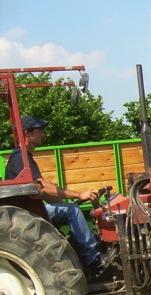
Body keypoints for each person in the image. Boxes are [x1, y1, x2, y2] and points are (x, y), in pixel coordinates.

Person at [4, 115, 104, 277]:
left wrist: (67, 197)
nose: (43, 134)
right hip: (27, 214)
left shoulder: (23, 157)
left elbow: (44, 185)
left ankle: (82, 253)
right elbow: (43, 188)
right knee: (72, 211)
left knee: (69, 207)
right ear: (27, 133)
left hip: (28, 210)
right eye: (40, 131)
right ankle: (94, 260)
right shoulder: (20, 158)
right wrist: (79, 194)